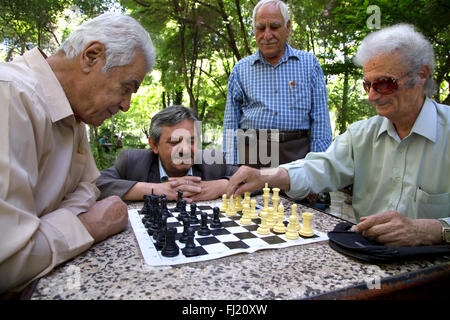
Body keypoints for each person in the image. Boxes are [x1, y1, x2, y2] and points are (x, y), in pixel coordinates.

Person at [226, 24, 450, 247]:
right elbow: (318, 168)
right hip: (369, 260)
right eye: (367, 85)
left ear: (421, 75)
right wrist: (265, 176)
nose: (372, 96)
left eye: (384, 84)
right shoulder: (361, 135)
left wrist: (432, 230)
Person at [0, 13, 155, 294]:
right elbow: (6, 261)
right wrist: (85, 226)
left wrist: (49, 225)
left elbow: (88, 188)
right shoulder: (10, 97)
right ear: (91, 56)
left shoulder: (74, 115)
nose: (126, 105)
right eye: (127, 87)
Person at [222, 0, 332, 168]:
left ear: (287, 27)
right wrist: (231, 169)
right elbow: (230, 125)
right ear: (254, 29)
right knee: (256, 196)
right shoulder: (240, 70)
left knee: (294, 195)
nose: (267, 35)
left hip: (296, 155)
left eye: (274, 27)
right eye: (260, 28)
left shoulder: (309, 65)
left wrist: (317, 170)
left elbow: (321, 122)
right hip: (252, 156)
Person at [97, 105, 238, 203]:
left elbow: (255, 178)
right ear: (154, 145)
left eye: (192, 141)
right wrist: (154, 190)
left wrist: (224, 185)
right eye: (174, 142)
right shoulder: (132, 162)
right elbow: (95, 184)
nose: (185, 150)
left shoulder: (213, 162)